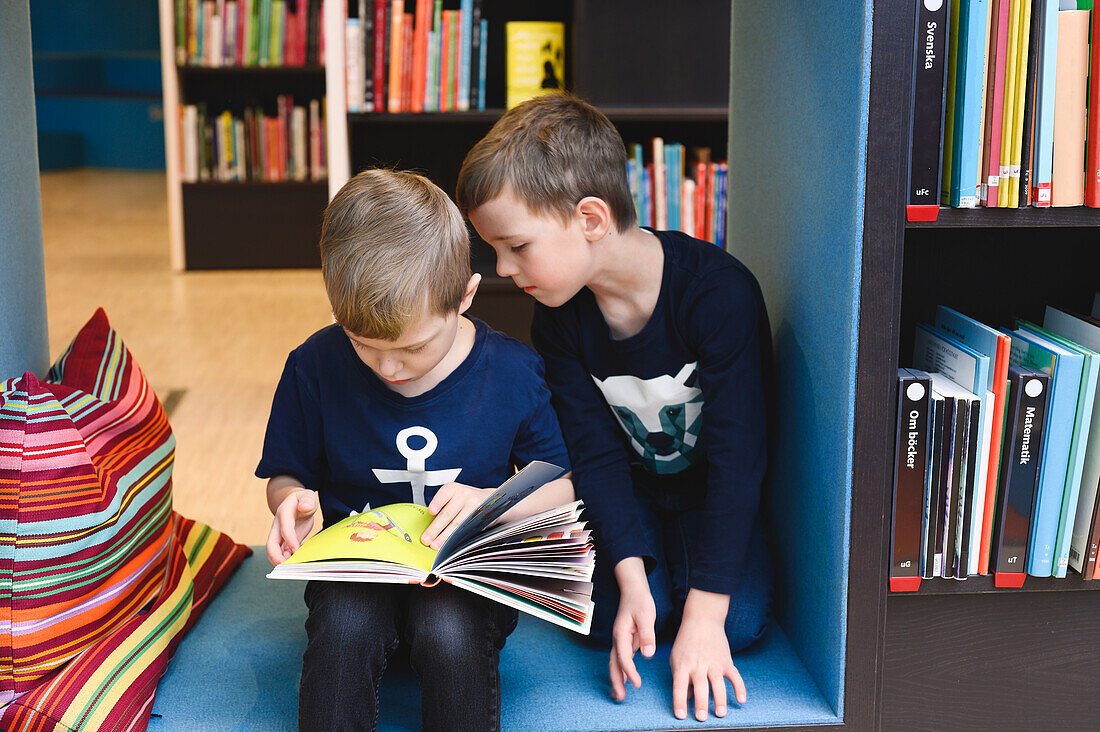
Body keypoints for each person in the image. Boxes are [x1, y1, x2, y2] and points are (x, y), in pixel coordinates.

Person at [457, 93, 773, 723]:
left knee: (738, 622)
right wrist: (630, 579)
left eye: (517, 246)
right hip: (627, 496)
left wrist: (707, 617)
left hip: (714, 492)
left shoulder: (719, 295)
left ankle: (698, 600)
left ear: (591, 220)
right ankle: (649, 584)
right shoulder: (558, 317)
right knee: (600, 617)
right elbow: (594, 456)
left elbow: (742, 461)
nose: (502, 267)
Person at [256, 169, 574, 732]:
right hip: (359, 569)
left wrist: (492, 502)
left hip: (463, 574)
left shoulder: (511, 373)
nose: (388, 368)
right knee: (343, 628)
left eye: (412, 347)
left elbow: (561, 481)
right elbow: (285, 474)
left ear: (466, 296)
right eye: (362, 345)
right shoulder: (314, 366)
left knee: (449, 631)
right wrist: (292, 502)